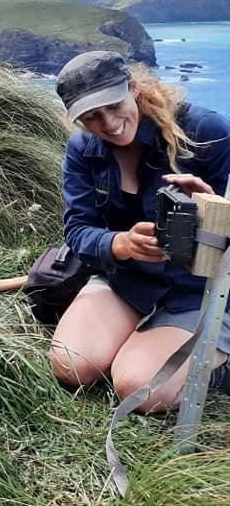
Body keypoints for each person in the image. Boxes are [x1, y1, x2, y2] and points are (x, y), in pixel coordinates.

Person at [50, 50, 230, 413]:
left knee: (138, 387)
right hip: (126, 280)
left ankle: (218, 360)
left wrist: (214, 212)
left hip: (198, 291)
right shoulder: (83, 149)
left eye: (114, 105)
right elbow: (78, 228)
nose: (109, 123)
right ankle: (144, 339)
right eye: (91, 116)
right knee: (73, 364)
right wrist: (119, 244)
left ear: (132, 87)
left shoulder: (206, 132)